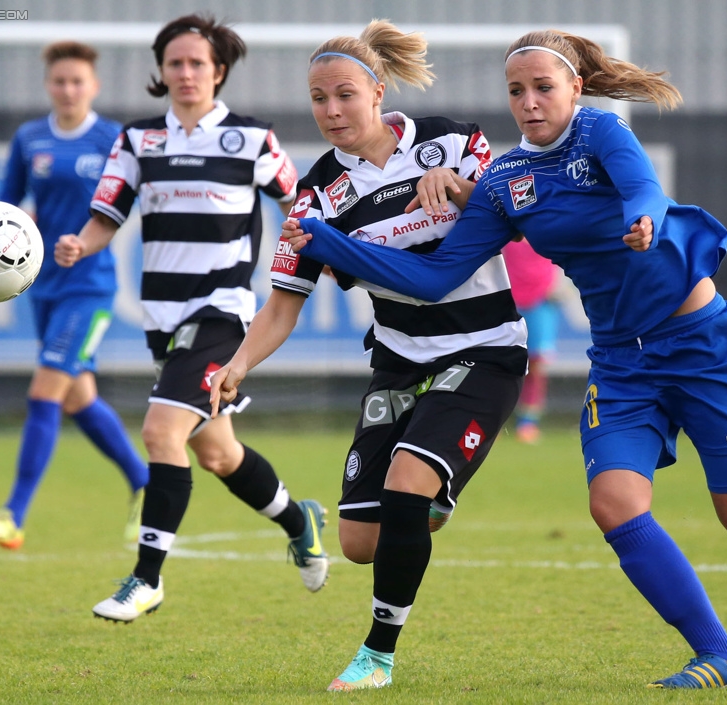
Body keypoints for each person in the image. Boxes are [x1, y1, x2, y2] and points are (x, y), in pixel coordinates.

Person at [283, 29, 727, 689]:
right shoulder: (503, 182)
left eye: (542, 86)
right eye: (515, 90)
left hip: (701, 342)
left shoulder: (601, 134)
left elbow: (643, 190)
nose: (528, 101)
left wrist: (644, 219)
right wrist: (325, 239)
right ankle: (723, 656)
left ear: (575, 87)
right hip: (620, 361)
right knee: (613, 503)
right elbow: (435, 280)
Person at [210, 20, 526, 691]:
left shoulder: (454, 141)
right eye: (319, 99)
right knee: (361, 543)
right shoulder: (317, 198)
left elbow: (508, 218)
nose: (330, 111)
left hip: (485, 349)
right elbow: (281, 306)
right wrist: (238, 364)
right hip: (398, 361)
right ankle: (432, 491)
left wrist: (460, 187)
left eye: (344, 95)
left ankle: (377, 654)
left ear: (378, 91)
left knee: (410, 479)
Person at [53, 13, 328, 623]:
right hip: (164, 320)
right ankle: (297, 518)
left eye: (196, 63)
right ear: (161, 72)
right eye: (174, 63)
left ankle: (146, 580)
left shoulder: (252, 139)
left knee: (160, 433)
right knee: (220, 455)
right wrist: (79, 243)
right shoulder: (138, 141)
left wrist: (325, 248)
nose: (184, 73)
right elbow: (107, 217)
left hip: (223, 314)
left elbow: (300, 200)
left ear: (218, 71)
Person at [0, 41, 149, 551]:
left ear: (94, 85)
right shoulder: (30, 138)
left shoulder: (113, 138)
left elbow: (129, 202)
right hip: (39, 286)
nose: (68, 89)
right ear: (48, 85)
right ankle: (144, 482)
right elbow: (4, 206)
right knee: (78, 397)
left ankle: (13, 515)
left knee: (45, 392)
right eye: (59, 81)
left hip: (90, 288)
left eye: (77, 81)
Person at [501, 238, 562, 443]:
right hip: (508, 302)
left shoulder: (547, 228)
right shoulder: (507, 229)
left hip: (540, 302)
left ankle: (528, 422)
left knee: (536, 366)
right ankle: (495, 421)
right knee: (500, 363)